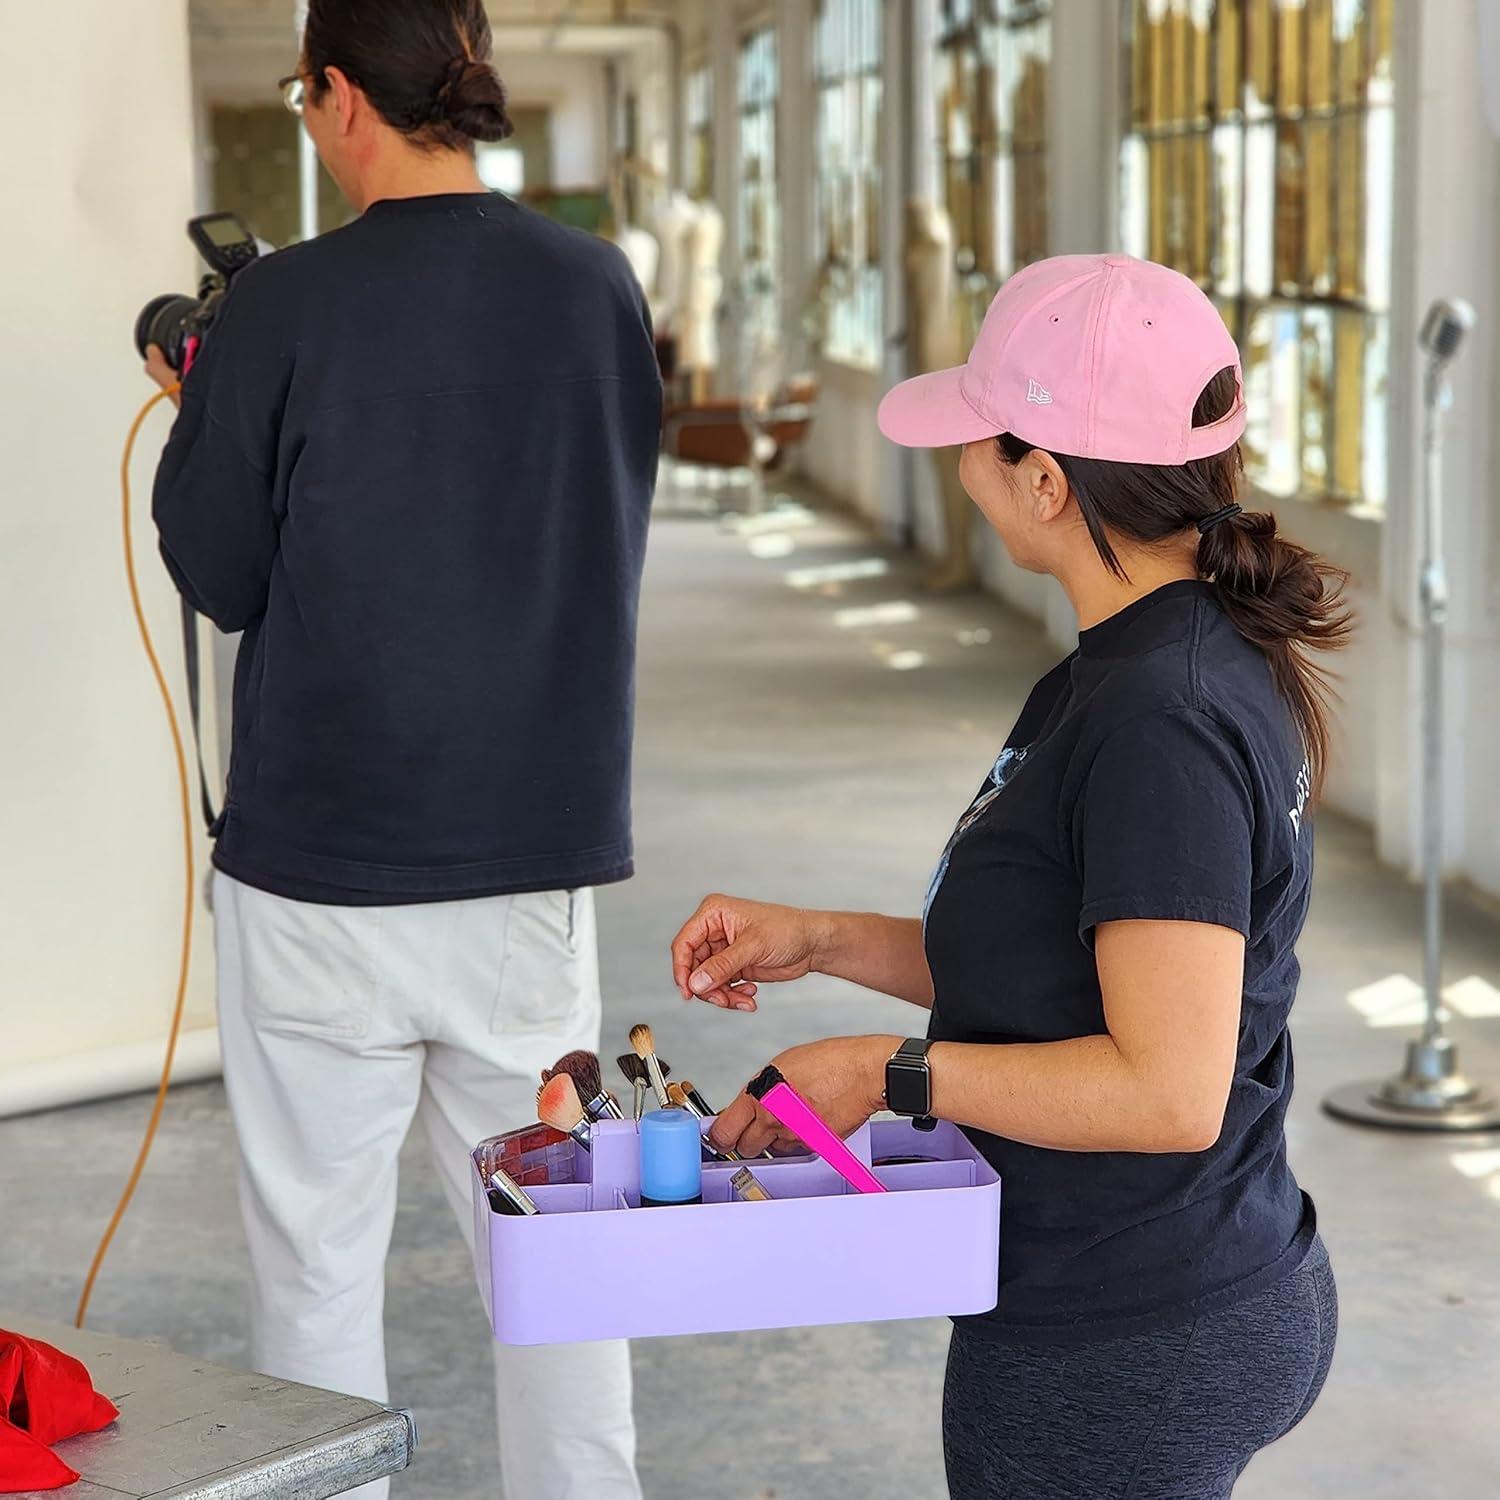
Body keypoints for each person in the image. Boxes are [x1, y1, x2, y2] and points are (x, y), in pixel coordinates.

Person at [671, 254, 1343, 1499]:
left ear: (1044, 480)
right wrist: (817, 938)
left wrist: (890, 1072)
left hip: (1126, 1333)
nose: (960, 465)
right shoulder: (1131, 663)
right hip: (1159, 1296)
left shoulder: (1162, 721)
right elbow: (1059, 959)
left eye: (977, 442)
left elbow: (1167, 1090)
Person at [146, 3, 659, 1495]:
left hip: (317, 873)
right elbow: (599, 526)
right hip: (525, 869)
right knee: (562, 1272)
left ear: (339, 97)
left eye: (308, 101)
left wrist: (208, 411)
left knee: (313, 1276)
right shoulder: (592, 287)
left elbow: (220, 573)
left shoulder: (282, 311)